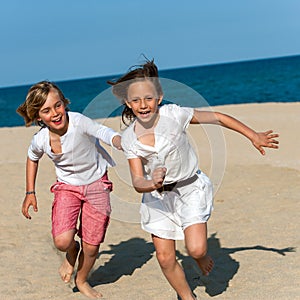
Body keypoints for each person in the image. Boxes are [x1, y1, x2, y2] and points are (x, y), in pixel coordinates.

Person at [108, 59, 279, 300]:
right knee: (165, 257)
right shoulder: (129, 138)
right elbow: (138, 181)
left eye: (148, 98)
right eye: (135, 100)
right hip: (157, 198)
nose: (143, 105)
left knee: (197, 249)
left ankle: (201, 258)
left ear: (159, 97)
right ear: (128, 103)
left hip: (190, 189)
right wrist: (152, 182)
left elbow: (217, 117)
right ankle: (187, 297)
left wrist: (252, 135)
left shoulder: (174, 114)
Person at [17, 81, 122, 299]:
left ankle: (82, 280)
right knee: (62, 241)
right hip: (67, 188)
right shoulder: (40, 140)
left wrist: (117, 140)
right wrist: (30, 193)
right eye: (46, 110)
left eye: (58, 105)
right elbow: (32, 158)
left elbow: (101, 131)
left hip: (97, 186)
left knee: (92, 246)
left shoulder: (78, 122)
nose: (55, 113)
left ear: (65, 103)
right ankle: (72, 252)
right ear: (38, 117)